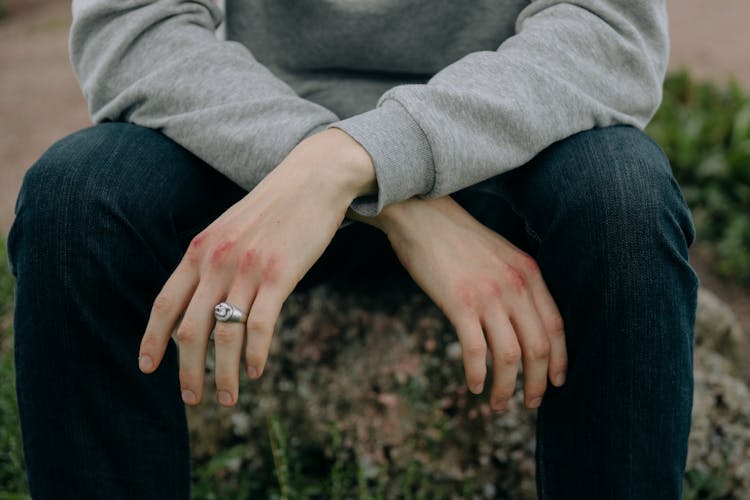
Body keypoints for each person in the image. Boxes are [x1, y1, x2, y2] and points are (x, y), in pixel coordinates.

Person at [7, 0, 699, 498]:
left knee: (623, 201)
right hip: (253, 153)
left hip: (496, 148)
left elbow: (609, 28)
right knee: (77, 200)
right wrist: (377, 193)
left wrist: (352, 164)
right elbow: (137, 26)